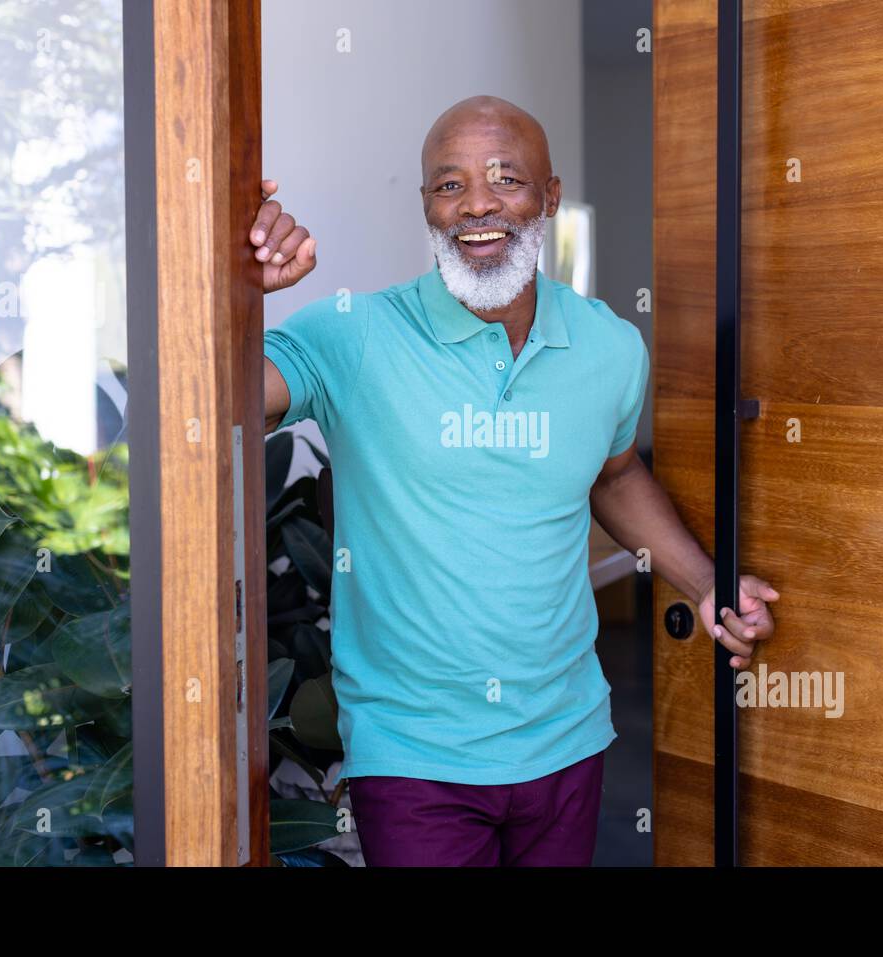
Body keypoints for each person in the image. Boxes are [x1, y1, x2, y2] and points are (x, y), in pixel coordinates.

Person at [249, 95, 779, 866]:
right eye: (450, 185)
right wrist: (242, 290)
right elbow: (216, 407)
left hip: (566, 739)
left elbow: (615, 471)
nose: (479, 206)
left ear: (551, 198)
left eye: (507, 179)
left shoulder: (608, 345)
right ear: (427, 207)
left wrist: (704, 583)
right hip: (414, 755)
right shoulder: (352, 333)